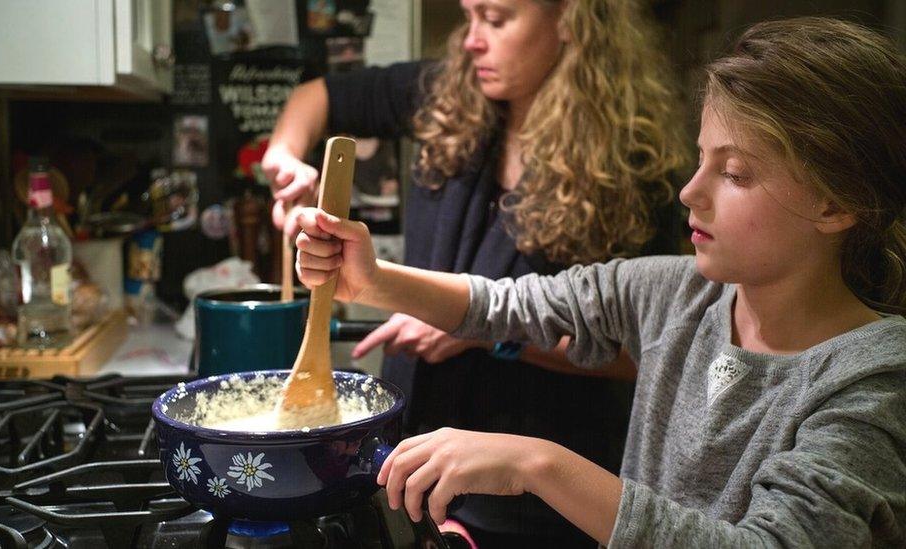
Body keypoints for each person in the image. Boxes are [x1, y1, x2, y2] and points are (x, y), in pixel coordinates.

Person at [292, 16, 906, 547]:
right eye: (702, 160)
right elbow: (508, 306)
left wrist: (536, 463)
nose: (692, 193)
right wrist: (369, 278)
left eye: (737, 174)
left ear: (837, 205)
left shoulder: (873, 384)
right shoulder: (678, 292)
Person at [263, 1, 685, 544]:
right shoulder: (450, 90)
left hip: (534, 496)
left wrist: (485, 337)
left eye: (497, 18)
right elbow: (315, 97)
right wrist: (285, 159)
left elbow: (639, 357)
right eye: (470, 16)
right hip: (409, 458)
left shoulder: (635, 167)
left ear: (570, 20)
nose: (471, 41)